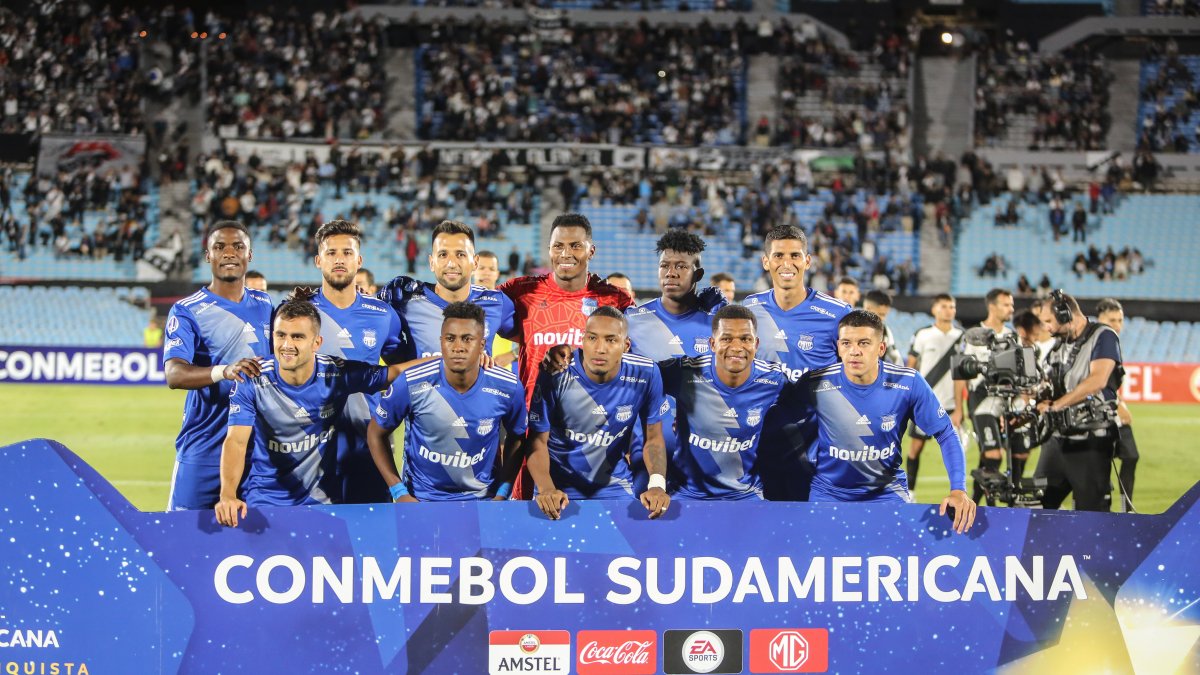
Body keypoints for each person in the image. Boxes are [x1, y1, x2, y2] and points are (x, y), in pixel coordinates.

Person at [214, 291, 417, 527]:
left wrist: (446, 363)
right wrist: (227, 495)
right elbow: (236, 441)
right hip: (265, 501)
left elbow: (393, 373)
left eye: (297, 337)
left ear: (317, 343)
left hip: (323, 503)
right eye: (281, 335)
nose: (287, 345)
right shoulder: (252, 378)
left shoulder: (335, 373)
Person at [785, 311, 974, 533]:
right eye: (846, 343)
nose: (854, 351)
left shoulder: (907, 383)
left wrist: (958, 490)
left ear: (881, 348)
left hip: (887, 494)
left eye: (864, 343)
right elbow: (782, 429)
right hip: (828, 494)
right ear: (838, 347)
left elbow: (946, 433)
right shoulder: (815, 383)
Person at [499, 213, 634, 498]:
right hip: (532, 433)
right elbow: (476, 319)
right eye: (558, 246)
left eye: (575, 246)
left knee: (593, 518)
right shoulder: (520, 292)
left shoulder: (615, 300)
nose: (566, 254)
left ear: (591, 251)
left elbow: (635, 356)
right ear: (549, 249)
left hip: (594, 436)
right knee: (530, 515)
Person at [366, 302, 527, 502]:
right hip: (422, 500)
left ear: (482, 344)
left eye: (467, 339)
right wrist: (399, 492)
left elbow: (518, 437)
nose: (458, 347)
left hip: (484, 501)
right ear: (441, 342)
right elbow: (376, 433)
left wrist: (503, 492)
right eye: (450, 339)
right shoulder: (411, 382)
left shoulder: (508, 386)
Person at [164, 220, 273, 511]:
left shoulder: (265, 304)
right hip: (205, 445)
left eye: (238, 246)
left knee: (254, 532)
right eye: (219, 246)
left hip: (255, 447)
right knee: (182, 531)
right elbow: (174, 374)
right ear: (208, 255)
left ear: (249, 255)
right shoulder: (187, 310)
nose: (229, 253)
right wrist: (224, 371)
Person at [526, 307, 671, 519]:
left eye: (611, 340)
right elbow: (537, 441)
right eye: (592, 338)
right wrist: (546, 488)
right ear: (582, 340)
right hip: (557, 489)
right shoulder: (556, 372)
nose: (600, 349)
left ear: (626, 346)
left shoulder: (646, 372)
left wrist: (657, 484)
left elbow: (653, 438)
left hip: (614, 485)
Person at [308, 220, 406, 503]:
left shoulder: (383, 314)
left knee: (374, 525)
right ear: (318, 260)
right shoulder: (299, 313)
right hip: (311, 446)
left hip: (369, 444)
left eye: (347, 253)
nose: (339, 259)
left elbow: (401, 370)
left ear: (359, 260)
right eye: (331, 253)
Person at [625, 230, 727, 492]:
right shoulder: (632, 322)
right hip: (646, 460)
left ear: (698, 274)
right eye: (665, 266)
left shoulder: (718, 326)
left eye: (681, 266)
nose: (671, 273)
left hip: (706, 460)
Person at [660, 305, 789, 500]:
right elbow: (637, 382)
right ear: (712, 344)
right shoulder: (684, 372)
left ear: (756, 344)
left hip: (746, 495)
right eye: (727, 339)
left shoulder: (774, 380)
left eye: (745, 339)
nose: (736, 347)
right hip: (686, 493)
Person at [1035, 291, 1123, 512]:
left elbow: (1097, 380)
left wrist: (1057, 405)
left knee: (1091, 513)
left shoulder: (1104, 336)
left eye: (1049, 321)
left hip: (1091, 439)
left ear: (1065, 314)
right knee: (1036, 507)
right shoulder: (1058, 346)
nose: (1046, 327)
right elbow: (1048, 389)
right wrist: (1038, 403)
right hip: (1057, 438)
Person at [379, 220, 515, 359]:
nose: (451, 264)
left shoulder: (497, 302)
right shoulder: (405, 298)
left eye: (460, 254)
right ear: (432, 262)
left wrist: (512, 355)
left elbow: (528, 338)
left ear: (475, 262)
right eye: (443, 254)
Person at [743, 225, 851, 382]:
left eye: (795, 256)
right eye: (778, 256)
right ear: (766, 262)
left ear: (807, 261)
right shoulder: (750, 308)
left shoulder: (838, 313)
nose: (787, 264)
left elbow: (855, 375)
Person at [954, 287, 1015, 504]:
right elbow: (960, 373)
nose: (1011, 309)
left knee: (991, 454)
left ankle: (975, 501)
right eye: (1006, 304)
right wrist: (959, 409)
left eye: (1011, 304)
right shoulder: (973, 336)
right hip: (980, 400)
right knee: (993, 453)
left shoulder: (1012, 336)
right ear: (992, 307)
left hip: (1006, 402)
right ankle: (989, 504)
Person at [905, 294, 964, 492]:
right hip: (924, 404)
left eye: (952, 306)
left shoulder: (961, 337)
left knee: (955, 451)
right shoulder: (922, 334)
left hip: (950, 404)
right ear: (934, 310)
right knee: (915, 448)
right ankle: (910, 493)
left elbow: (961, 376)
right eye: (944, 306)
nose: (949, 310)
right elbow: (910, 367)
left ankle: (958, 492)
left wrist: (960, 409)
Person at [1096, 297, 1137, 512]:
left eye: (1120, 320)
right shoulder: (1094, 343)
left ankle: (1127, 509)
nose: (1117, 325)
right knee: (1101, 463)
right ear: (1100, 319)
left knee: (1131, 456)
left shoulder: (1113, 342)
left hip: (1114, 410)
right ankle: (1105, 509)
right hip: (1099, 412)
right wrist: (1119, 404)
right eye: (1112, 320)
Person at [473, 250, 518, 370]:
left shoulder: (506, 302)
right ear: (472, 270)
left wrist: (512, 354)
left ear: (497, 274)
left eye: (491, 269)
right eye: (481, 268)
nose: (486, 273)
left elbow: (531, 338)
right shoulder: (461, 300)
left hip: (499, 374)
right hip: (466, 375)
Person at [862, 289, 901, 365]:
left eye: (885, 315)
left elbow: (897, 358)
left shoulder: (885, 331)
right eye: (881, 314)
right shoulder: (849, 328)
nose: (883, 318)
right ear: (867, 309)